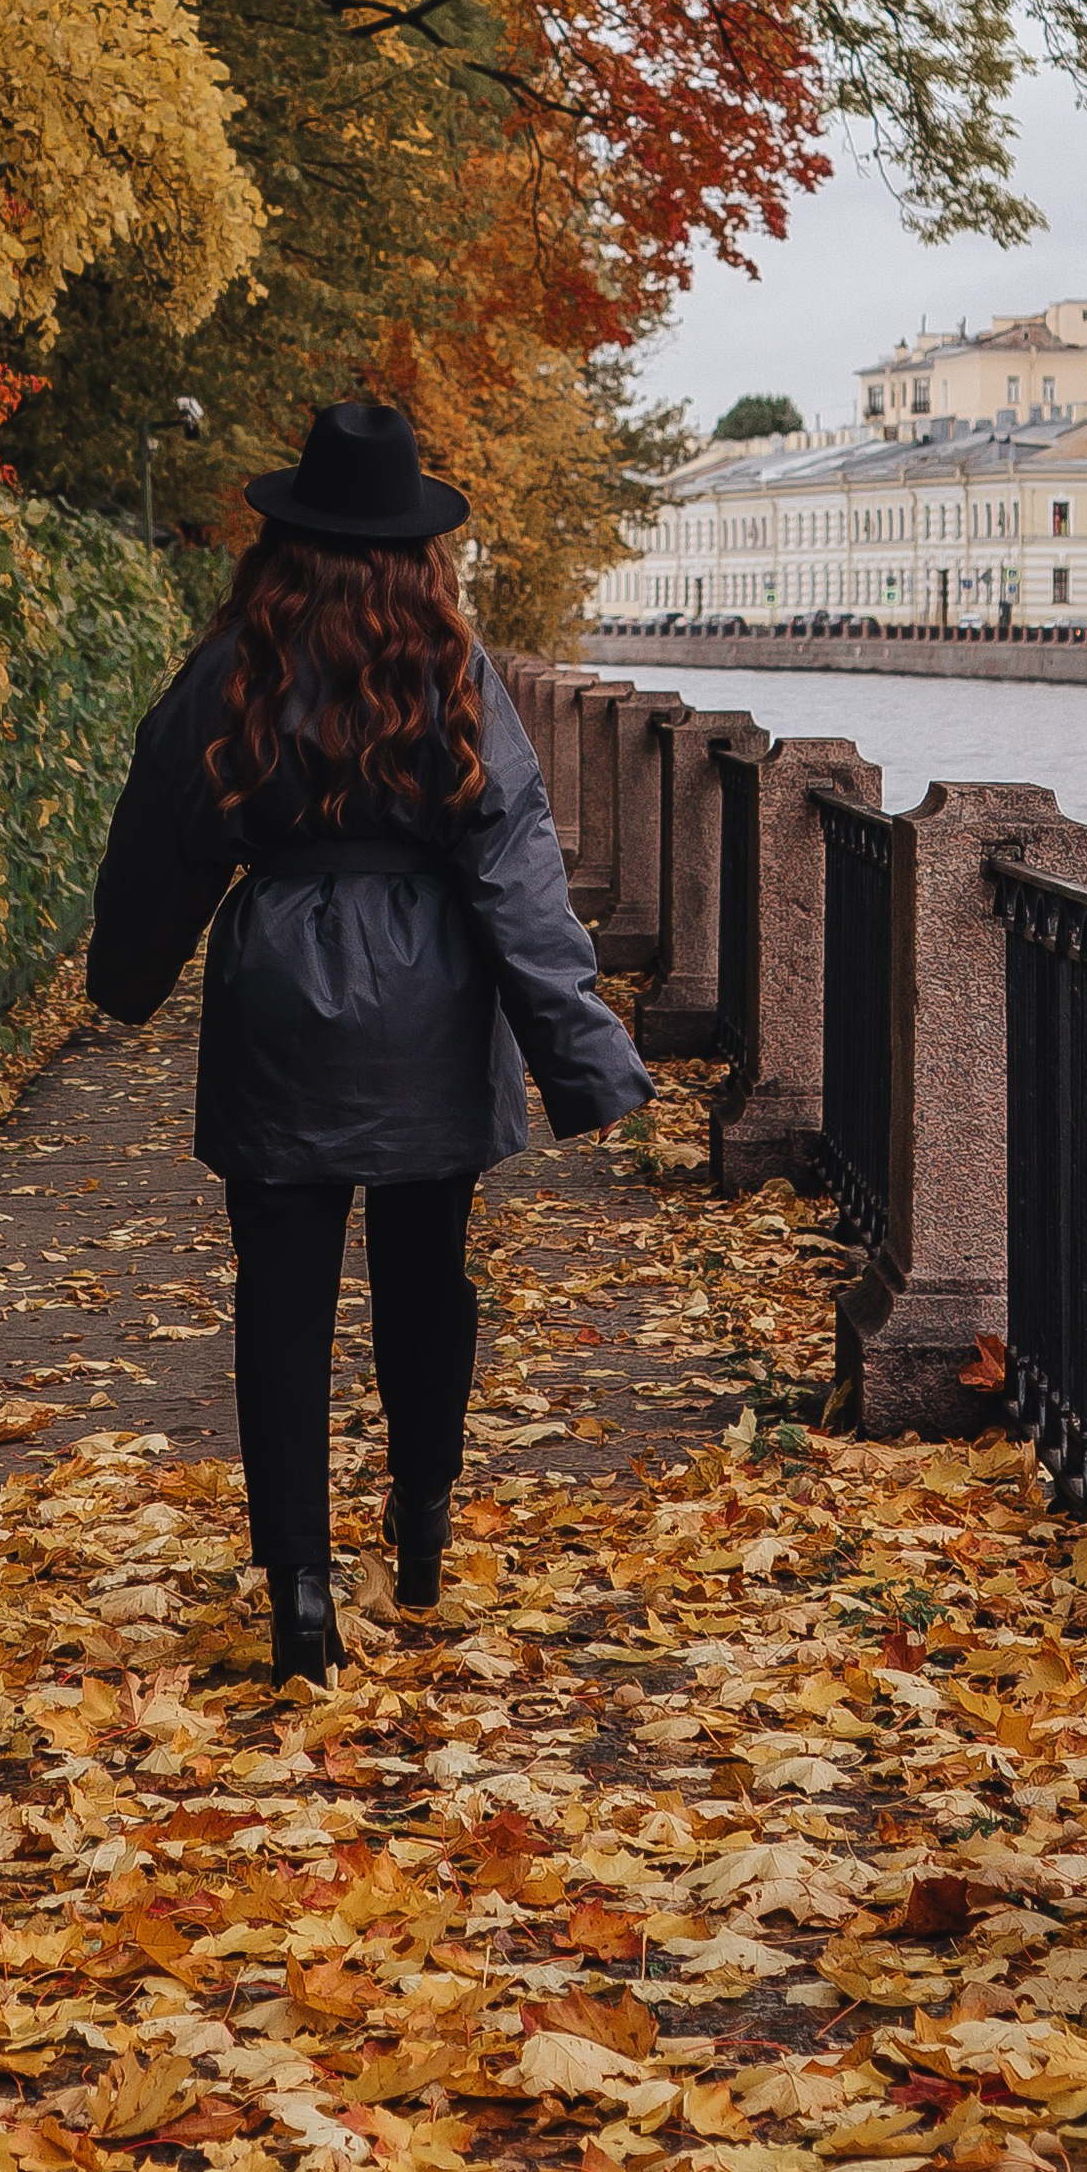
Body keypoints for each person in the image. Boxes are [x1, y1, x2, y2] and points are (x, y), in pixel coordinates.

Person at [85, 398, 652, 1683]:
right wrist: (581, 1053)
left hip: (277, 981)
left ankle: (297, 1587)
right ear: (417, 547)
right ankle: (424, 1522)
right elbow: (514, 867)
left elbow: (164, 827)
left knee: (280, 1299)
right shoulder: (453, 669)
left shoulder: (234, 661)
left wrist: (124, 981)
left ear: (283, 536)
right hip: (429, 998)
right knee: (424, 1278)